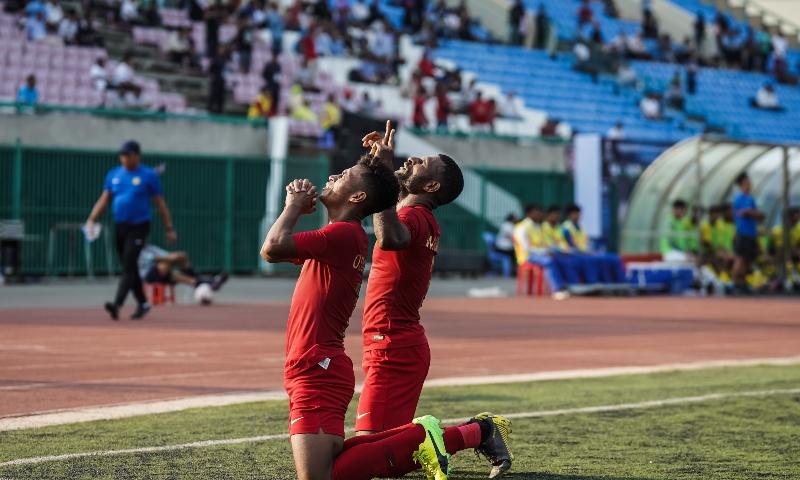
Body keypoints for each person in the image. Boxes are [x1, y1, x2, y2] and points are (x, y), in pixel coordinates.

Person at [259, 154, 452, 480]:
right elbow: (283, 248)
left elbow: (272, 248)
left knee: (324, 475)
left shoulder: (346, 234)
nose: (333, 175)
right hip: (314, 363)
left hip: (318, 366)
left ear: (358, 197)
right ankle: (426, 439)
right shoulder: (339, 234)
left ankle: (424, 438)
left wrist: (292, 205)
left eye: (344, 174)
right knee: (345, 465)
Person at [357, 122, 515, 478]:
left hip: (392, 345)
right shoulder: (417, 215)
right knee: (389, 451)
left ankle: (477, 432)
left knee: (366, 457)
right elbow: (375, 204)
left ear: (431, 186)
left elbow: (391, 239)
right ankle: (481, 432)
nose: (411, 158)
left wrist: (382, 172)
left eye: (422, 162)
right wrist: (375, 166)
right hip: (398, 343)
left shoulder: (411, 216)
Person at [85, 141, 177, 320]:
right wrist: (91, 220)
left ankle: (117, 304)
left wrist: (169, 228)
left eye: (129, 155)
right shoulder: (114, 174)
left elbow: (160, 204)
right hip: (120, 226)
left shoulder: (148, 175)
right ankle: (143, 303)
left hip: (139, 226)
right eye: (122, 155)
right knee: (130, 266)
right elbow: (104, 199)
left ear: (138, 155)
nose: (125, 158)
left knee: (129, 264)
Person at [514, 204, 571, 299]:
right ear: (530, 214)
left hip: (539, 254)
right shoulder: (522, 227)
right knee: (549, 261)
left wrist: (549, 250)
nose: (541, 215)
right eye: (538, 213)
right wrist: (544, 252)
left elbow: (543, 244)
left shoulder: (538, 227)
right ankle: (557, 289)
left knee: (561, 259)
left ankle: (566, 286)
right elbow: (526, 248)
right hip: (527, 257)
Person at [562, 203, 626, 284]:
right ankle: (594, 283)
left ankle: (621, 283)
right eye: (575, 214)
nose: (578, 216)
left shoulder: (581, 227)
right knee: (593, 261)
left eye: (579, 213)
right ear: (569, 215)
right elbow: (571, 246)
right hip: (576, 255)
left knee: (614, 258)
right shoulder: (566, 228)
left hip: (587, 253)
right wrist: (585, 251)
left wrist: (590, 250)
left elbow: (586, 243)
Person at [138, 245, 228, 292]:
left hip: (165, 274)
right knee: (170, 261)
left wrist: (176, 257)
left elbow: (166, 254)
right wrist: (177, 257)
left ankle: (212, 281)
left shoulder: (151, 248)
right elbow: (161, 258)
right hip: (148, 277)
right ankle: (201, 278)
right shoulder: (137, 251)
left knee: (189, 280)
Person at [731, 172, 762, 293]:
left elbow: (757, 213)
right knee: (740, 259)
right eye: (747, 182)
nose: (750, 185)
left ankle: (742, 282)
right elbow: (748, 212)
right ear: (741, 184)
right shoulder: (739, 197)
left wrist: (756, 213)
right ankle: (735, 283)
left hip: (751, 233)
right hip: (742, 233)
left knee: (748, 259)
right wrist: (755, 213)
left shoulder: (750, 198)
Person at [208, 45, 228, 114]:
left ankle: (219, 112)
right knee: (213, 96)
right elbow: (210, 70)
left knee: (221, 98)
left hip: (222, 81)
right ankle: (210, 110)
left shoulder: (226, 59)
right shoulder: (215, 59)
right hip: (215, 80)